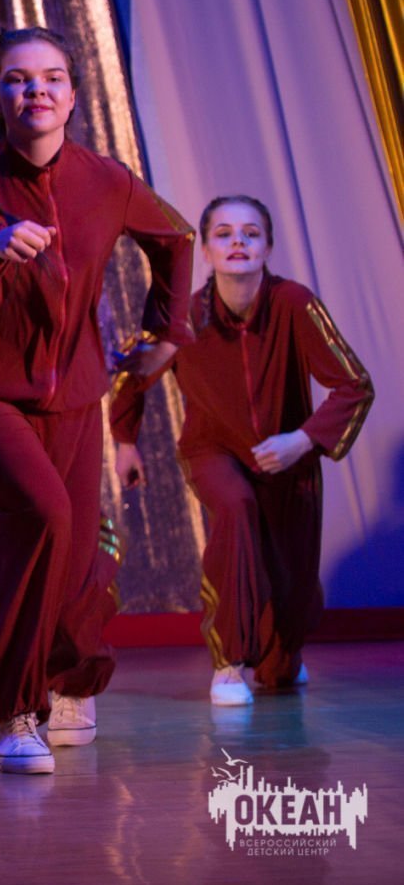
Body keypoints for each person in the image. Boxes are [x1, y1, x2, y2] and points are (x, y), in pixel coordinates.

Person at [0, 26, 194, 775]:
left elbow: (176, 240)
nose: (35, 89)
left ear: (72, 95)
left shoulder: (107, 180)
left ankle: (71, 678)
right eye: (17, 78)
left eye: (51, 77)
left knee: (74, 548)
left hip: (74, 390)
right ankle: (16, 711)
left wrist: (166, 335)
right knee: (45, 514)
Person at [110, 195, 371, 705]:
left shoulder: (294, 303)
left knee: (289, 600)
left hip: (288, 456)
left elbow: (354, 385)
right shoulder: (185, 316)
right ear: (207, 250)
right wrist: (124, 442)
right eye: (224, 234)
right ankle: (228, 663)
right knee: (236, 507)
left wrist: (301, 440)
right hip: (213, 452)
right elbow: (131, 375)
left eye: (250, 234)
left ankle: (282, 654)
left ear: (267, 247)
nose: (238, 243)